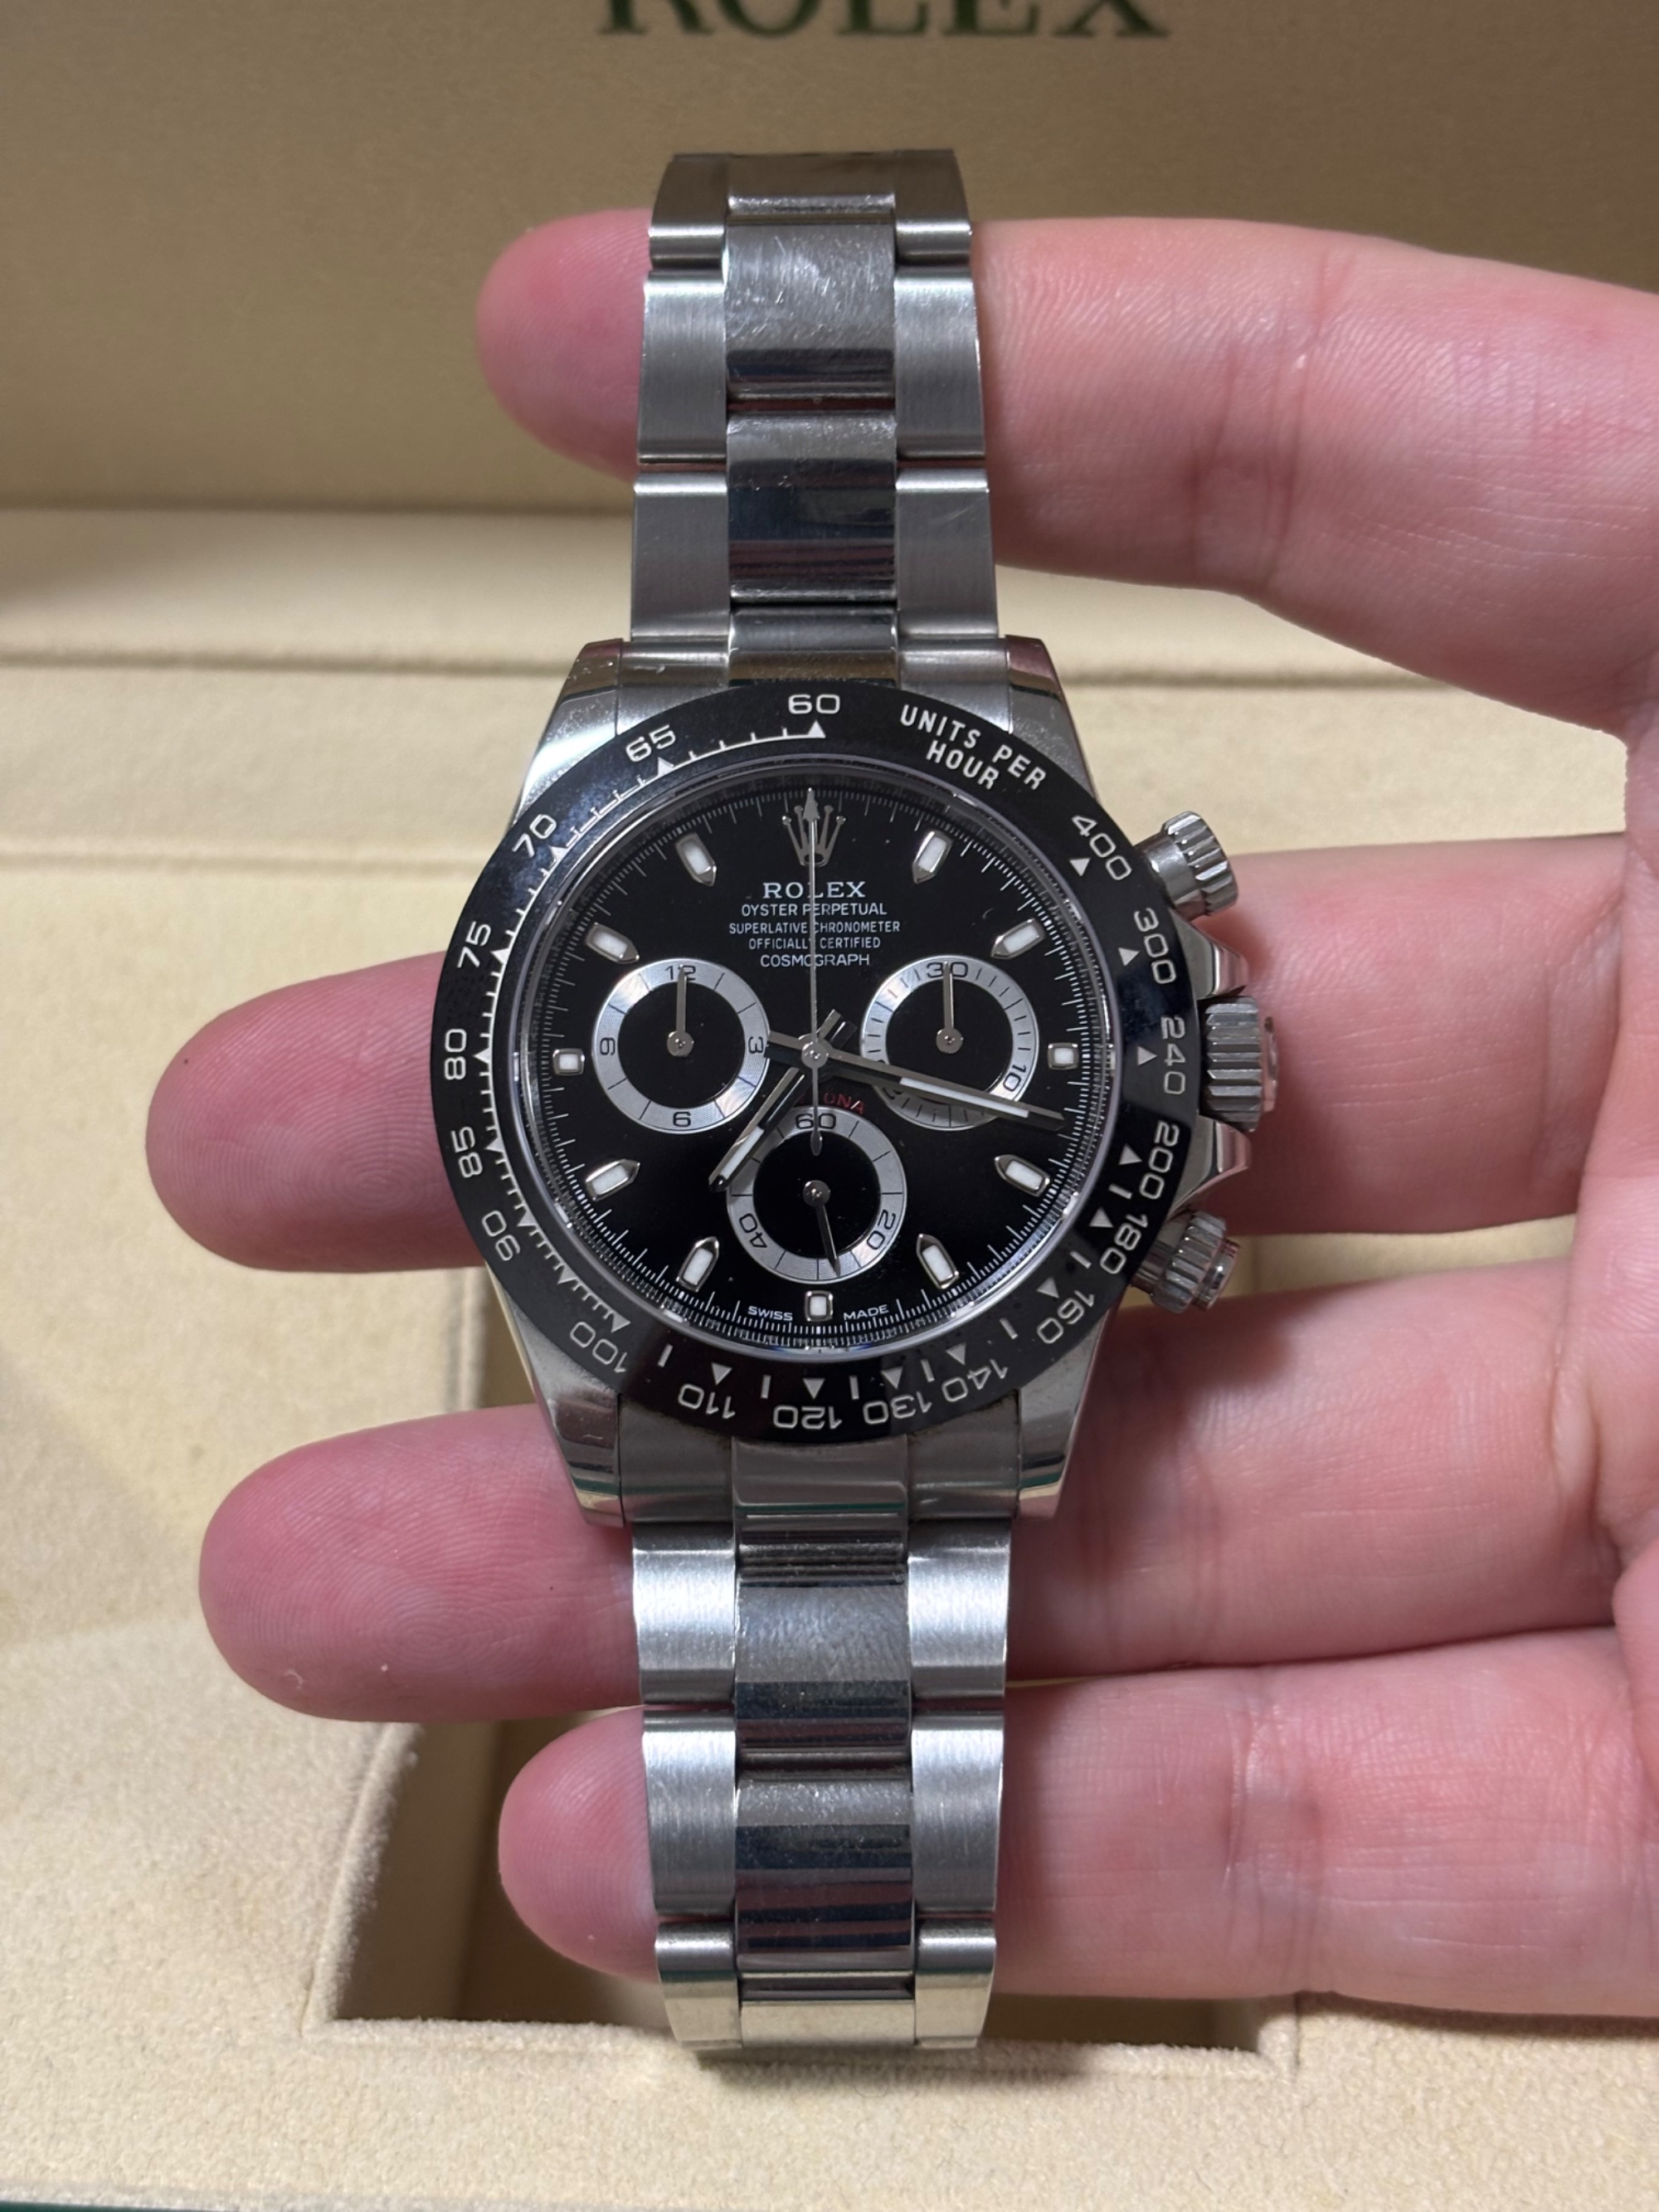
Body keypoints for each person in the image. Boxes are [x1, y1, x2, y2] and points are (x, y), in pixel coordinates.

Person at [146, 210, 1659, 2015]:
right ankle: (827, 1962)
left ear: (1198, 1069)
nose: (804, 1066)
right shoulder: (667, 816)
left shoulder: (965, 788)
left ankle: (831, 1960)